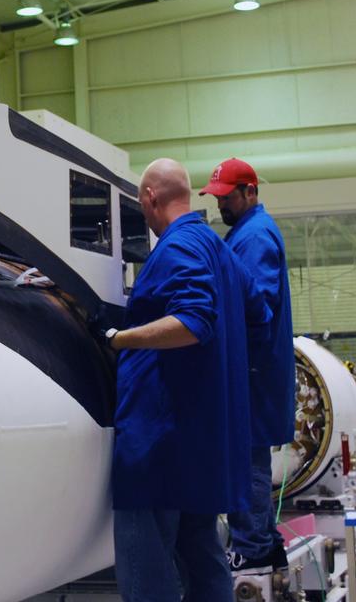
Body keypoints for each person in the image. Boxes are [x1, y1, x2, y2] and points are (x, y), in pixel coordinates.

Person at [107, 158, 251, 602]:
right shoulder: (218, 247)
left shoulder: (176, 247)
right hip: (200, 447)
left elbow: (193, 320)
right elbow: (256, 311)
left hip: (157, 449)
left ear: (149, 198)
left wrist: (120, 339)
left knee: (148, 580)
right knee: (205, 567)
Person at [199, 158, 297, 575]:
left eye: (227, 197)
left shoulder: (254, 237)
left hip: (252, 372)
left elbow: (256, 306)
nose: (220, 205)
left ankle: (253, 547)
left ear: (250, 192)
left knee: (248, 461)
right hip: (253, 370)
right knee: (248, 458)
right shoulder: (245, 232)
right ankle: (266, 544)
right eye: (217, 197)